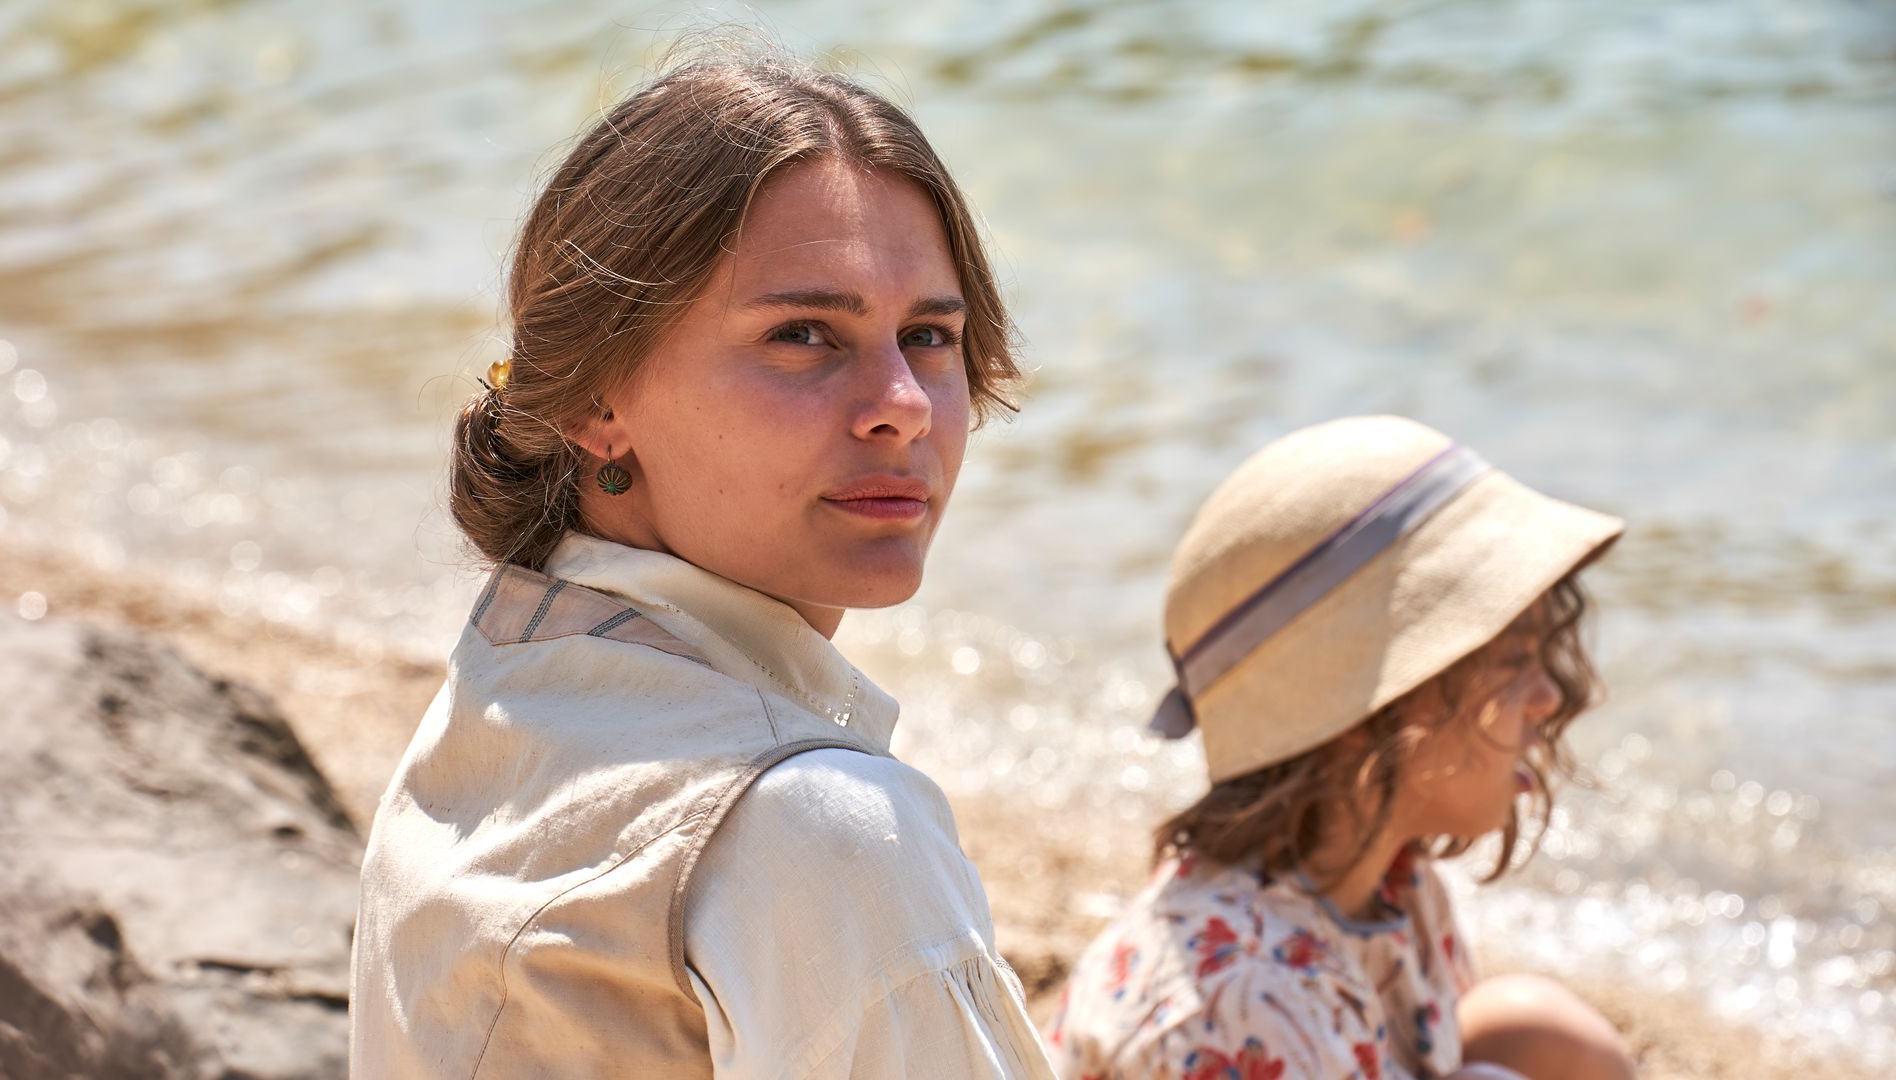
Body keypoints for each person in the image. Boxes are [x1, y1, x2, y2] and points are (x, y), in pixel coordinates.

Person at [349, 52, 1053, 1079]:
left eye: (930, 336)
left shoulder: (496, 699)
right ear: (598, 399)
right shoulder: (818, 831)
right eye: (803, 333)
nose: (901, 401)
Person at [1045, 415, 1638, 1080]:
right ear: (1367, 709)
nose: (1548, 698)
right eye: (1512, 660)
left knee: (1533, 1031)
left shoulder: (1389, 881)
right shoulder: (1244, 1006)